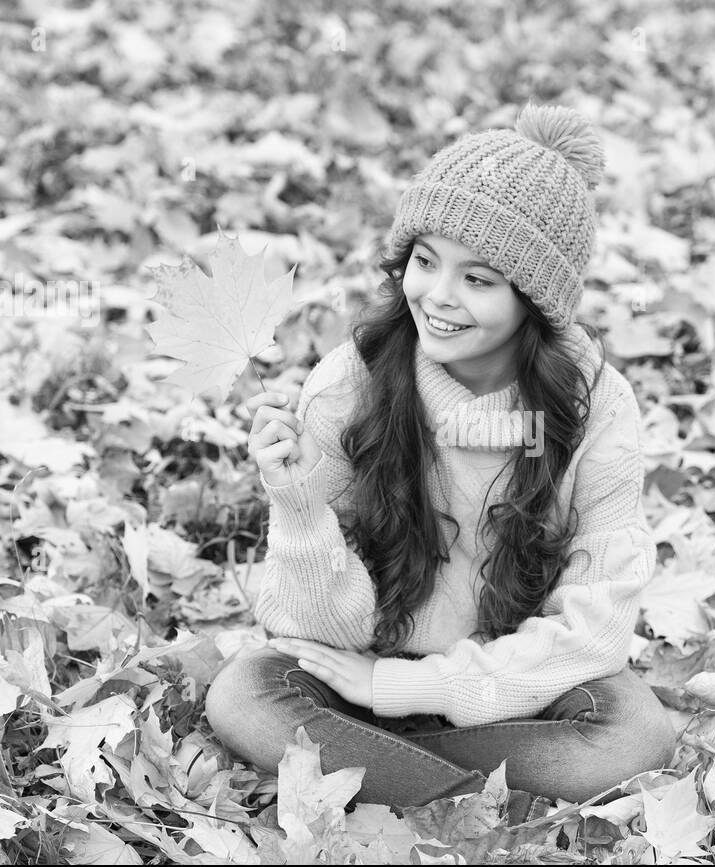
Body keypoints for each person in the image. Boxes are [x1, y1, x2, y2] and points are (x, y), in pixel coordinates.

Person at [204, 102, 678, 825]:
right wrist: (298, 504)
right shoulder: (350, 383)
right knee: (245, 695)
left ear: (535, 302)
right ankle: (473, 806)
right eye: (426, 261)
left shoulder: (596, 406)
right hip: (355, 675)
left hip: (509, 688)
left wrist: (412, 689)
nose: (439, 297)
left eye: (479, 279)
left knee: (632, 732)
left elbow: (596, 621)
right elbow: (314, 630)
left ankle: (396, 779)